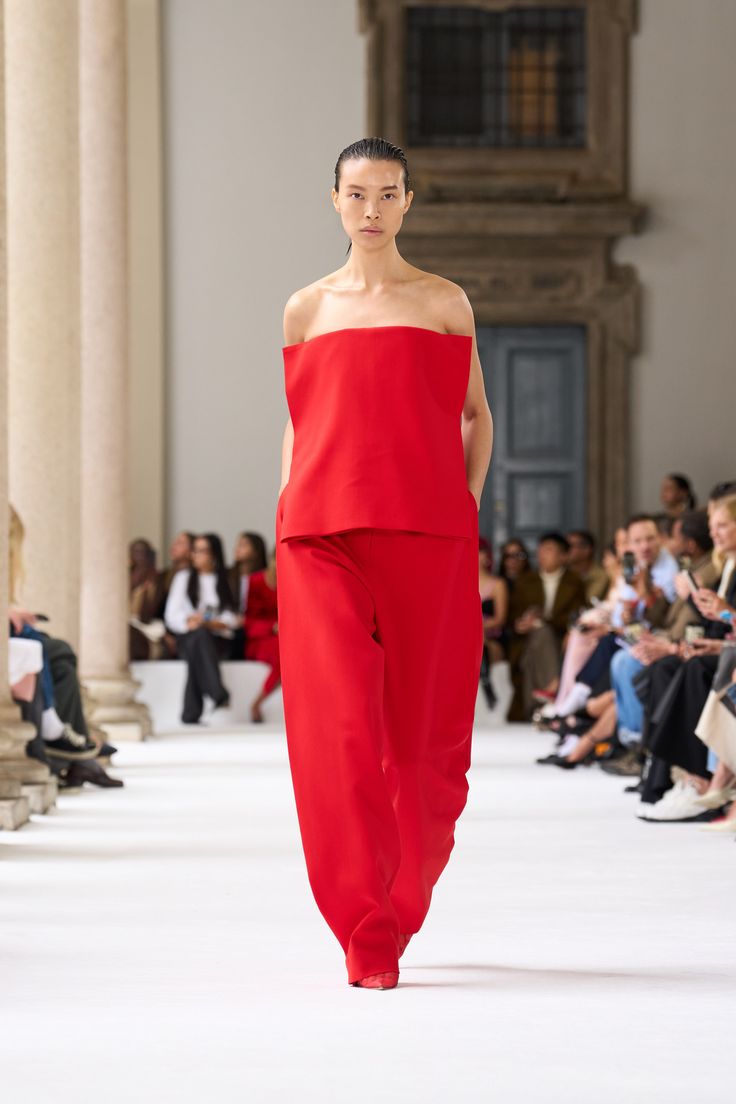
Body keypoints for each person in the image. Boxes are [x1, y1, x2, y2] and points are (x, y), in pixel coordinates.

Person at [274, 137, 492, 991]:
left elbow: (475, 416)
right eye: (357, 194)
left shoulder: (443, 302)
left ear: (408, 201)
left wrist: (463, 506)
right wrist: (285, 508)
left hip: (428, 534)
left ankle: (399, 906)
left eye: (387, 194)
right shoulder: (305, 308)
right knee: (336, 733)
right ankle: (362, 924)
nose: (371, 209)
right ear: (334, 199)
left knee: (428, 748)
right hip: (318, 536)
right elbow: (301, 421)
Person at [506, 532, 586, 722]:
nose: (542, 554)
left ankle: (538, 705)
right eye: (541, 550)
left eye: (549, 550)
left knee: (542, 636)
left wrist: (545, 620)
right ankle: (551, 693)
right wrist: (521, 624)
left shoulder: (574, 582)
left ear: (563, 556)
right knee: (539, 637)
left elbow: (576, 616)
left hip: (561, 639)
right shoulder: (526, 581)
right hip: (526, 640)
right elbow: (512, 616)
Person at [163, 533, 241, 724]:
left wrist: (208, 623)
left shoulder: (226, 580)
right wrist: (189, 621)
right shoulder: (183, 578)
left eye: (201, 551)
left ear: (213, 554)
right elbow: (172, 616)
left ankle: (191, 713)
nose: (196, 555)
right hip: (189, 636)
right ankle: (216, 692)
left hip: (218, 640)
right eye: (195, 550)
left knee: (200, 640)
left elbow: (233, 618)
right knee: (198, 638)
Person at [243, 545, 281, 723]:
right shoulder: (256, 581)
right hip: (258, 638)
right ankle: (257, 703)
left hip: (281, 637)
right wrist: (272, 627)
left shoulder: (289, 581)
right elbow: (247, 620)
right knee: (284, 655)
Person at [477, 537, 508, 709]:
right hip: (464, 636)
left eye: (481, 551)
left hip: (491, 634)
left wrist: (477, 627)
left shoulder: (498, 584)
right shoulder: (459, 582)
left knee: (479, 641)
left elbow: (500, 618)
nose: (477, 555)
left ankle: (486, 684)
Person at [228, 531, 268, 660]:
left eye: (243, 545)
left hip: (253, 624)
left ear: (256, 551)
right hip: (233, 623)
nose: (237, 548)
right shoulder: (229, 576)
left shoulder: (265, 577)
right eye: (238, 544)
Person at [566, 529, 609, 603]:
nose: (566, 550)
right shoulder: (563, 571)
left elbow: (589, 601)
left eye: (570, 546)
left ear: (587, 550)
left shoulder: (600, 575)